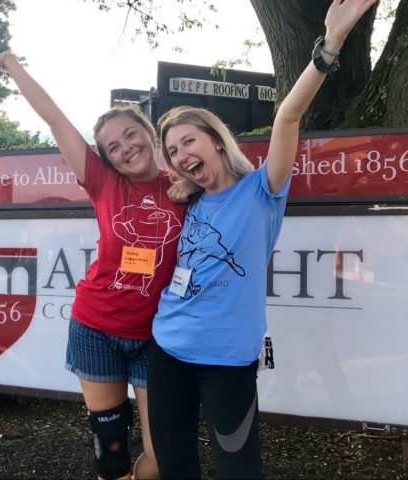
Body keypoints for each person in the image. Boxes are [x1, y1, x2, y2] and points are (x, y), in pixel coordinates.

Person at [146, 1, 379, 478]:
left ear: (214, 139)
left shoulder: (262, 191)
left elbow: (287, 119)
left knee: (239, 471)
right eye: (172, 150)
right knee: (173, 468)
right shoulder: (186, 202)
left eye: (188, 140)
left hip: (226, 363)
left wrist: (330, 44)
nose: (181, 153)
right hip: (167, 350)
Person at [0, 53, 190, 479]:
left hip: (156, 336)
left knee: (162, 457)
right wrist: (12, 66)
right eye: (114, 146)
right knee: (110, 451)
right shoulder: (103, 182)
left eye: (132, 135)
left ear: (150, 133)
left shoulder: (185, 186)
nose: (127, 147)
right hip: (96, 328)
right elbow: (56, 120)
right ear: (106, 159)